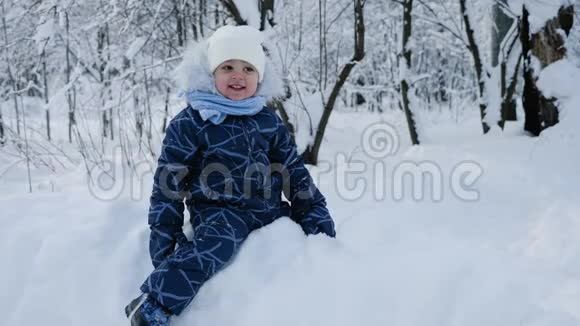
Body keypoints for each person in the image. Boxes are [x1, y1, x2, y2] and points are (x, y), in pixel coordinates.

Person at [124, 25, 336, 326]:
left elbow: (295, 173)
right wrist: (165, 240)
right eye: (228, 67)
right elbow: (168, 186)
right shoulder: (192, 122)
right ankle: (155, 303)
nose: (238, 75)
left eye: (248, 68)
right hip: (219, 214)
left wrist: (317, 221)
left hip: (268, 210)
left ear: (260, 77)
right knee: (214, 248)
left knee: (298, 242)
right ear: (211, 72)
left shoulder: (268, 121)